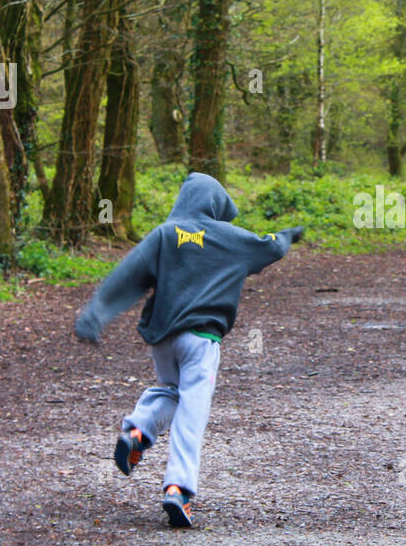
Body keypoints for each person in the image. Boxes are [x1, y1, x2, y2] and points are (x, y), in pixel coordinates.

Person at [74, 172, 303, 527]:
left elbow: (128, 273)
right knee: (192, 411)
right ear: (214, 206)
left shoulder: (165, 235)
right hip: (201, 339)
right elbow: (268, 246)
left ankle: (138, 431)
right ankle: (178, 488)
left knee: (172, 391)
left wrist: (96, 314)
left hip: (163, 337)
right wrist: (289, 235)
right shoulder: (227, 237)